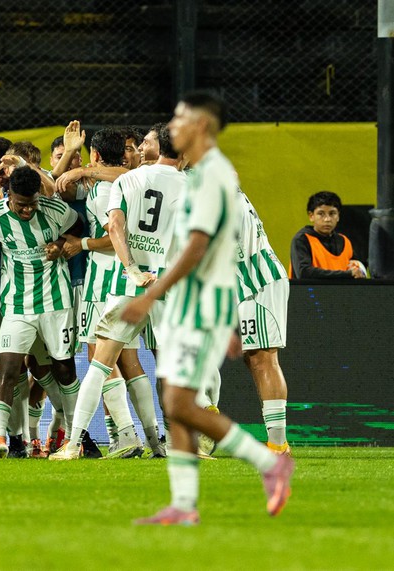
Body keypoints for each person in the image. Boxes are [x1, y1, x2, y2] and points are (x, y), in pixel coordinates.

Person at [123, 91, 294, 525]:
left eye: (180, 119)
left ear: (200, 127)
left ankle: (273, 456)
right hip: (219, 294)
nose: (172, 127)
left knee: (191, 394)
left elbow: (198, 248)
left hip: (250, 283)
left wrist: (151, 295)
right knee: (178, 398)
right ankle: (185, 503)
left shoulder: (210, 177)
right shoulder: (198, 174)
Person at [51, 126, 184, 461]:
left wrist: (131, 267)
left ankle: (76, 444)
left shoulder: (128, 181)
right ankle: (169, 441)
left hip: (125, 282)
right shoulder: (188, 184)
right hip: (168, 283)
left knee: (99, 363)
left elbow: (114, 227)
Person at [0, 166, 83, 458]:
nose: (27, 210)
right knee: (7, 369)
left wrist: (61, 244)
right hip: (17, 305)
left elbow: (79, 228)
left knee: (64, 369)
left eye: (32, 204)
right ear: (9, 196)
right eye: (21, 204)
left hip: (56, 302)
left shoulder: (55, 210)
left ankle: (75, 435)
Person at [236, 187, 292, 455]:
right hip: (249, 284)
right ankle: (276, 442)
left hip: (258, 282)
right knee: (254, 358)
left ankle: (278, 444)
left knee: (263, 359)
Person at [289, 191, 366, 279]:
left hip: (339, 288)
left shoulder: (344, 241)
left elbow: (356, 272)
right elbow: (304, 273)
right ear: (311, 216)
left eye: (332, 213)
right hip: (312, 289)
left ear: (338, 216)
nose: (327, 219)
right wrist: (347, 274)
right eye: (321, 214)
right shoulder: (302, 240)